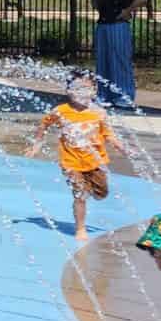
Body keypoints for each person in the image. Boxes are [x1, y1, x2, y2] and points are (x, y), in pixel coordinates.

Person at [33, 71, 129, 240]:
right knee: (80, 194)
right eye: (77, 88)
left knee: (101, 193)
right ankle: (80, 229)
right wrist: (38, 144)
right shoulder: (60, 111)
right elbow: (43, 125)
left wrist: (122, 147)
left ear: (94, 91)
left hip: (95, 161)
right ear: (68, 91)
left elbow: (109, 135)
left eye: (86, 88)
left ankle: (88, 190)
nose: (82, 93)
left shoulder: (99, 113)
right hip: (70, 161)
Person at [90, 0, 148, 108]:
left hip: (118, 25)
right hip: (103, 24)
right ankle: (104, 95)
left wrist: (127, 11)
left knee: (120, 60)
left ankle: (124, 95)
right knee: (103, 60)